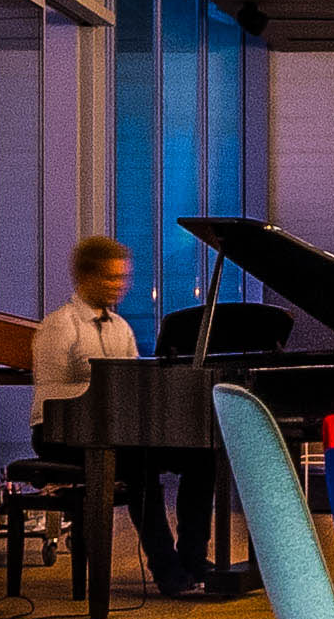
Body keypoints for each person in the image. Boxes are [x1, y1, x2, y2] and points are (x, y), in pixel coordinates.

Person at [32, 233, 205, 597]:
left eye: (122, 277)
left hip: (111, 430)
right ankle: (167, 570)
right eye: (111, 277)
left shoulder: (121, 328)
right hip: (58, 433)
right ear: (86, 277)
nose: (119, 285)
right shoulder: (59, 326)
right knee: (139, 464)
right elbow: (51, 394)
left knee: (200, 456)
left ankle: (194, 561)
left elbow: (131, 386)